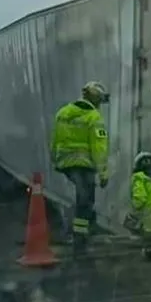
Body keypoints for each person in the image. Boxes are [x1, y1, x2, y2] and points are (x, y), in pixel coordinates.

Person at [50, 81, 110, 253]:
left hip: (66, 163)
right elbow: (99, 148)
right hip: (84, 164)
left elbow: (54, 140)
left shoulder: (63, 113)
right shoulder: (94, 117)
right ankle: (80, 236)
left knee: (82, 197)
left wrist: (55, 160)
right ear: (96, 99)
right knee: (85, 200)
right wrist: (103, 173)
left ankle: (83, 229)